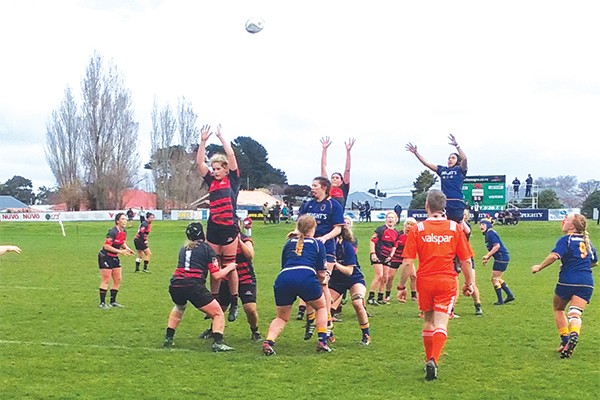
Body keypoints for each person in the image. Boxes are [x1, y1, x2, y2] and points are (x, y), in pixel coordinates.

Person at [397, 189, 475, 381]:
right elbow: (466, 261)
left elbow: (407, 262)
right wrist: (469, 283)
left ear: (427, 206)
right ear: (444, 206)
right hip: (447, 281)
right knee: (441, 323)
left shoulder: (418, 229)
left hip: (425, 281)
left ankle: (428, 359)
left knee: (428, 321)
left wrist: (401, 287)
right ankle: (434, 359)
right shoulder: (454, 228)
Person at [262, 215, 332, 355]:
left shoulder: (288, 243)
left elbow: (285, 265)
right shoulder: (318, 244)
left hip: (284, 278)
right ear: (313, 228)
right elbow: (321, 273)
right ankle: (322, 341)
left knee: (281, 317)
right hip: (306, 277)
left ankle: (268, 342)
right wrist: (321, 282)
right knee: (321, 307)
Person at [163, 222, 237, 352]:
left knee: (179, 307)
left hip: (175, 284)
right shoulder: (207, 249)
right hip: (193, 285)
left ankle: (168, 338)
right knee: (218, 313)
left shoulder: (183, 248)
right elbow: (217, 275)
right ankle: (218, 342)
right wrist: (230, 267)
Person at [531, 214, 597, 358]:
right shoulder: (588, 243)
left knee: (558, 308)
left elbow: (554, 256)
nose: (564, 221)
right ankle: (574, 333)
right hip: (587, 283)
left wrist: (539, 267)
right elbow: (594, 262)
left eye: (566, 220)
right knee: (575, 313)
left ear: (572, 226)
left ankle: (565, 339)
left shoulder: (566, 240)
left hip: (567, 281)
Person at [197, 124, 241, 322]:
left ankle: (233, 302)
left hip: (230, 228)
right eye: (213, 169)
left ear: (225, 170)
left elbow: (231, 156)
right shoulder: (211, 181)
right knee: (214, 267)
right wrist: (203, 141)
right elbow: (199, 163)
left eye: (217, 169)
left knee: (230, 265)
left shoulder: (232, 180)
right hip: (214, 229)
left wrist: (222, 137)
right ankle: (214, 302)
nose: (214, 171)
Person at [298, 177, 345, 340]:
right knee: (308, 286)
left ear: (324, 188)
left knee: (323, 286)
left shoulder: (334, 205)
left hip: (327, 251)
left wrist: (324, 238)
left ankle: (328, 326)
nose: (312, 188)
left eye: (315, 185)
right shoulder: (308, 205)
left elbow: (338, 229)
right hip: (308, 250)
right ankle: (311, 320)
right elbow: (300, 225)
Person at [200, 223, 262, 343]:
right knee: (219, 309)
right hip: (226, 280)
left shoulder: (244, 238)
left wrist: (238, 241)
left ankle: (255, 331)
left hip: (245, 278)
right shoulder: (221, 241)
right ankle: (213, 330)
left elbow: (250, 255)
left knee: (250, 309)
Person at [328, 218, 371, 345]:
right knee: (324, 306)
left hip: (354, 278)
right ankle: (328, 332)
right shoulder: (327, 246)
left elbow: (349, 271)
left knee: (357, 303)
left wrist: (334, 264)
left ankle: (366, 334)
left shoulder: (347, 246)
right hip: (337, 281)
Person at [406, 134, 468, 223]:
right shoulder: (442, 169)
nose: (450, 160)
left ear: (457, 161)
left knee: (458, 225)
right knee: (445, 225)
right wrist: (416, 153)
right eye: (449, 158)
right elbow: (427, 163)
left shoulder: (460, 169)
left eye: (453, 158)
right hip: (444, 202)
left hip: (457, 202)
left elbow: (464, 159)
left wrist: (457, 146)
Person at [97, 212, 135, 309]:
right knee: (106, 279)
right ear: (117, 221)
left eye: (125, 219)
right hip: (105, 256)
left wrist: (127, 248)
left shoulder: (124, 231)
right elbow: (106, 246)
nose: (125, 221)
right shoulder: (112, 232)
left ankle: (113, 301)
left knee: (118, 279)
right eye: (122, 219)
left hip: (114, 256)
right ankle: (102, 303)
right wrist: (121, 252)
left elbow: (122, 242)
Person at [479, 218, 515, 305]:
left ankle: (500, 300)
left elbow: (497, 246)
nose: (481, 226)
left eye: (483, 224)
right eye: (480, 224)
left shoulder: (491, 233)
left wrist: (487, 255)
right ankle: (509, 295)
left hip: (501, 257)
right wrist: (487, 258)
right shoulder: (488, 233)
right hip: (501, 257)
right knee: (497, 278)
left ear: (488, 225)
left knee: (495, 279)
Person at [367, 211, 399, 306]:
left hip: (387, 257)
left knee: (385, 277)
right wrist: (373, 253)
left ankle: (380, 297)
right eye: (389, 217)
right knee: (379, 275)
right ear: (386, 219)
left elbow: (394, 246)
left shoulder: (396, 232)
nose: (390, 219)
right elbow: (372, 241)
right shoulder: (381, 229)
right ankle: (370, 297)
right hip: (378, 254)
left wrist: (391, 256)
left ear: (395, 220)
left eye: (392, 218)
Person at [457, 209, 483, 315]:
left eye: (463, 215)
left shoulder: (465, 225)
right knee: (453, 284)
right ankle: (451, 309)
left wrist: (461, 220)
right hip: (453, 257)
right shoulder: (451, 225)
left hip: (466, 256)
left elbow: (467, 231)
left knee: (472, 283)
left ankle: (478, 305)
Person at [320, 136, 355, 209]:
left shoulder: (343, 188)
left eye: (337, 178)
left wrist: (348, 152)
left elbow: (347, 170)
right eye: (332, 177)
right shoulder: (327, 188)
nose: (334, 179)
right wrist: (324, 149)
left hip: (338, 217)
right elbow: (323, 167)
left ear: (341, 181)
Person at [390, 217, 418, 303]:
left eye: (411, 225)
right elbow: (393, 245)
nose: (409, 226)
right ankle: (387, 294)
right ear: (404, 225)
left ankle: (414, 295)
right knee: (390, 276)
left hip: (407, 258)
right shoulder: (399, 234)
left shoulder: (415, 236)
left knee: (413, 276)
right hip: (397, 257)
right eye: (407, 224)